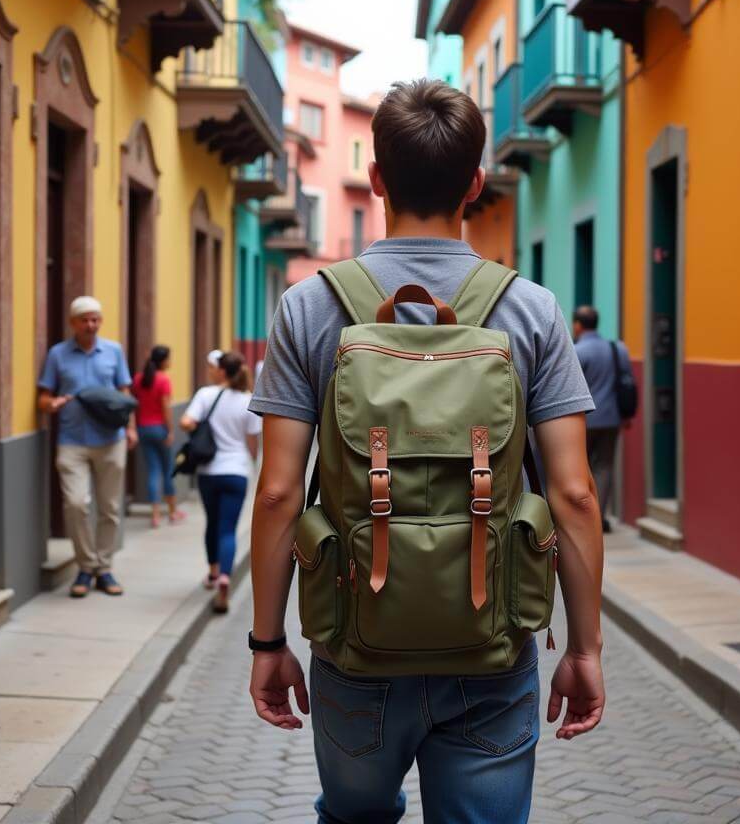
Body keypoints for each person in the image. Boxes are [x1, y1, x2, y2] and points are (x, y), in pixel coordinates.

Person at [247, 79, 606, 824]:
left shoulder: (310, 306)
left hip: (354, 650)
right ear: (475, 184)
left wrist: (267, 640)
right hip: (493, 649)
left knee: (353, 817)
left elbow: (280, 493)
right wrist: (584, 647)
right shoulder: (531, 310)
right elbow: (574, 495)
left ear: (376, 178)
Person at [38, 296, 136, 598]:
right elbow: (43, 396)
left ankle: (103, 569)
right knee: (77, 505)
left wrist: (130, 428)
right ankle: (85, 565)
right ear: (73, 323)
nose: (91, 325)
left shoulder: (114, 351)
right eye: (85, 320)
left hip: (110, 439)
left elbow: (124, 392)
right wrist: (52, 404)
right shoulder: (57, 354)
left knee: (109, 509)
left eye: (96, 319)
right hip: (72, 440)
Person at [181, 349, 261, 613]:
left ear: (222, 371)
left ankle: (213, 573)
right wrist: (250, 464)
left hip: (209, 472)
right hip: (236, 471)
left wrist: (200, 428)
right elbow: (252, 443)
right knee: (228, 529)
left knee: (212, 524)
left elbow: (186, 422)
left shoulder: (206, 395)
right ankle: (226, 577)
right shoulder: (248, 400)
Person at [573, 305, 632, 534]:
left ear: (578, 325)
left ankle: (583, 516)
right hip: (611, 419)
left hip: (584, 420)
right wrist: (625, 415)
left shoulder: (578, 352)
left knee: (580, 467)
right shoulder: (617, 349)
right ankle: (600, 516)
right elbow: (626, 382)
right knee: (605, 466)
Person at [132, 345, 185, 529]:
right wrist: (170, 431)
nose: (171, 362)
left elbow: (135, 405)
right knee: (168, 470)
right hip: (160, 429)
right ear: (163, 361)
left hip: (143, 429)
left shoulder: (138, 379)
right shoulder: (163, 380)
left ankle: (155, 515)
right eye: (169, 358)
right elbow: (166, 409)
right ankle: (172, 511)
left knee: (153, 471)